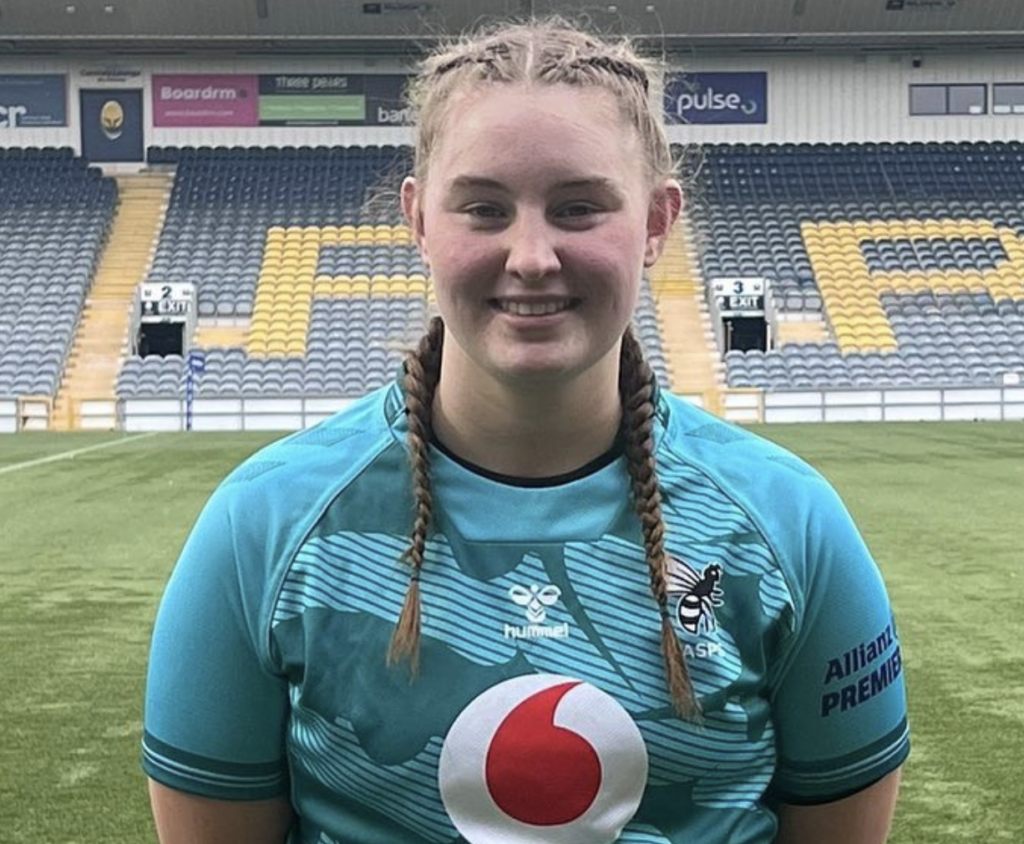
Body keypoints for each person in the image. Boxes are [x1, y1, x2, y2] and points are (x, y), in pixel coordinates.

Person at [142, 17, 909, 844]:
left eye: (580, 207)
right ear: (419, 221)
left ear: (656, 223)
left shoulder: (790, 524)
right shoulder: (265, 523)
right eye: (483, 207)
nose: (533, 255)